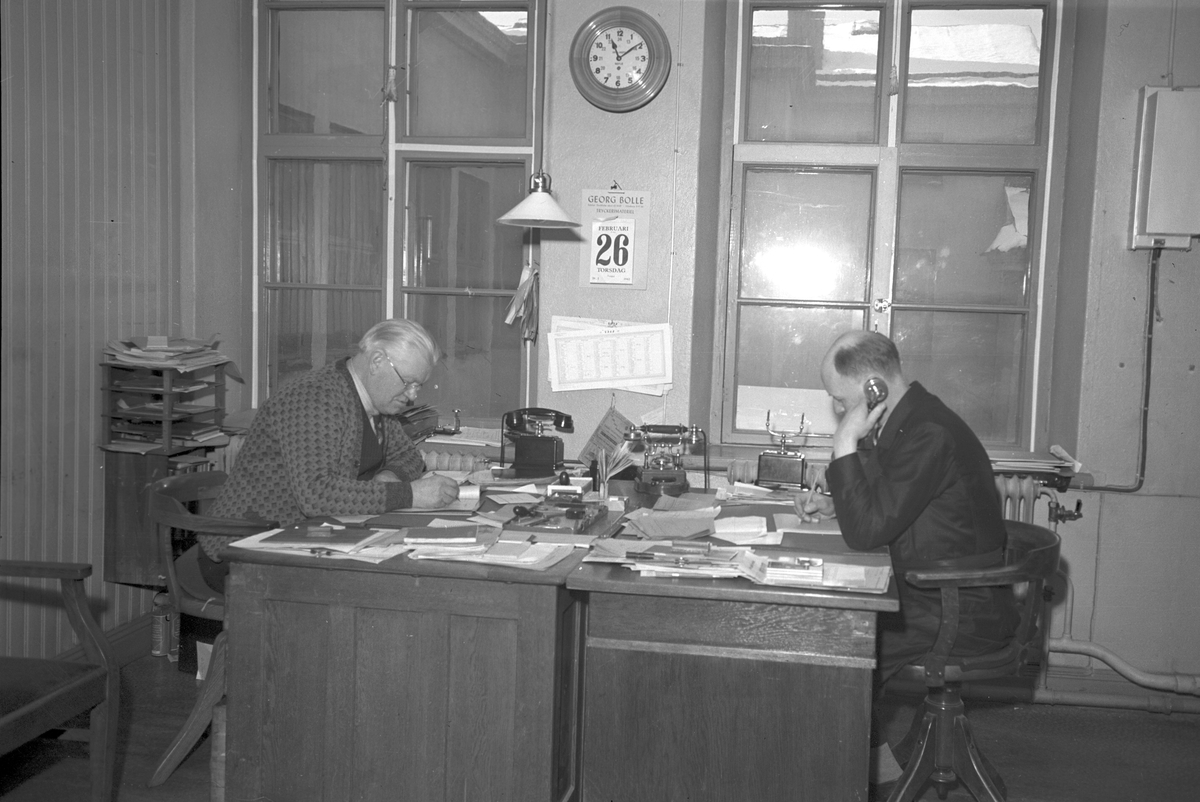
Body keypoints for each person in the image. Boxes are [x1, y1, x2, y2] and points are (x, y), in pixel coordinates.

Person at [796, 330, 1018, 787]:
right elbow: (889, 500)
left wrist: (844, 442)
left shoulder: (927, 433)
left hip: (958, 607)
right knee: (831, 633)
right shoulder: (912, 420)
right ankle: (871, 768)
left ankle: (840, 780)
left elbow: (867, 533)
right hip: (937, 592)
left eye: (840, 399)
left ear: (873, 386)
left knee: (836, 645)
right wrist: (836, 505)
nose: (837, 407)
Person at [198, 318, 460, 588]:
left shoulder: (376, 404)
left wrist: (389, 478)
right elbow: (317, 495)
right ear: (377, 361)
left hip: (303, 544)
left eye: (418, 386)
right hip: (242, 554)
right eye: (408, 382)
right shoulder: (315, 398)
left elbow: (408, 456)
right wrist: (410, 494)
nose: (413, 395)